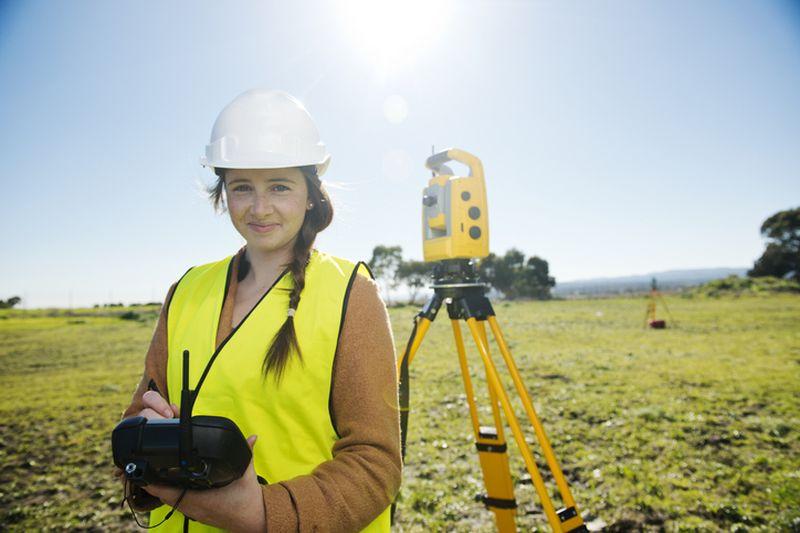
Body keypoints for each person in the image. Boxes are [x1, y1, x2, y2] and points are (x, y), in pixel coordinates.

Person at [116, 89, 402, 532]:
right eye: (242, 187)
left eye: (280, 187)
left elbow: (375, 463)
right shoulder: (187, 290)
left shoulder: (351, 294)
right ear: (223, 193)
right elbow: (136, 420)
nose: (260, 207)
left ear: (310, 194)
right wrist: (145, 443)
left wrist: (261, 513)